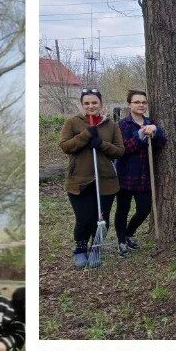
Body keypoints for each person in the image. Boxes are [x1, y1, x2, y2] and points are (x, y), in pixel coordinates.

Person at [59, 90, 124, 267]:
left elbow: (119, 150)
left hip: (106, 180)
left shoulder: (111, 125)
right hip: (79, 181)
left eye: (94, 103)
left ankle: (96, 247)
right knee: (84, 218)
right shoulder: (72, 122)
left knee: (102, 218)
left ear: (100, 103)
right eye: (87, 103)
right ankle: (80, 249)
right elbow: (65, 146)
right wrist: (86, 135)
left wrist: (101, 144)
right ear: (82, 104)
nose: (91, 106)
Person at [112, 90, 162, 253]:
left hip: (145, 175)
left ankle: (128, 233)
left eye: (143, 102)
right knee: (123, 209)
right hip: (126, 174)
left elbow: (161, 143)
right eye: (137, 102)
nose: (141, 105)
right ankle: (121, 241)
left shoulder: (150, 122)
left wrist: (156, 132)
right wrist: (140, 135)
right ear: (129, 104)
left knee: (144, 208)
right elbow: (123, 149)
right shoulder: (122, 125)